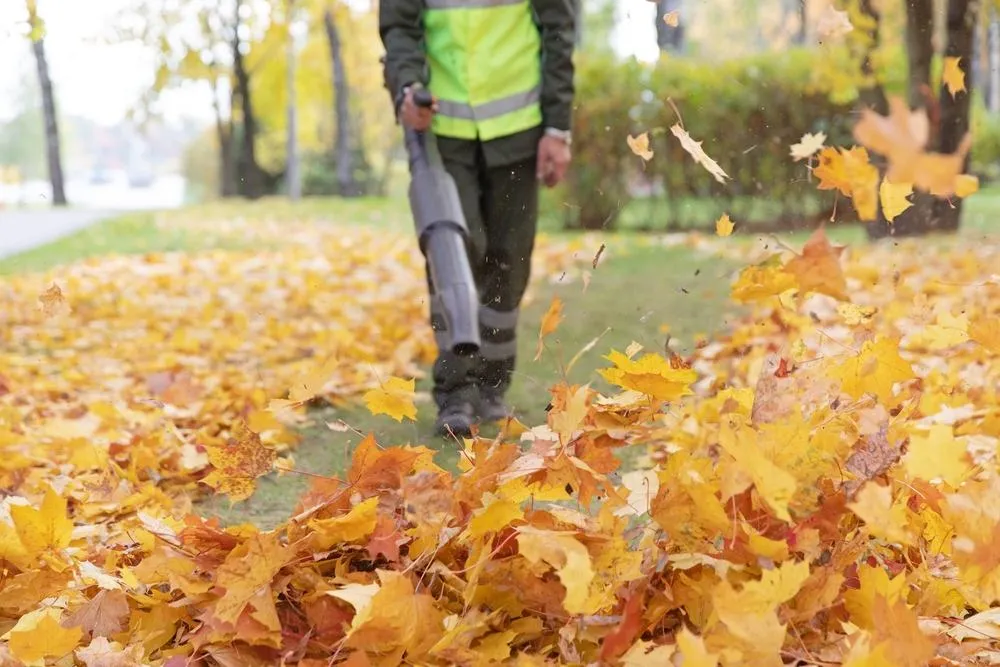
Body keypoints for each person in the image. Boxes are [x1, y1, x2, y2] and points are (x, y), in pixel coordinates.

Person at [379, 0, 576, 437]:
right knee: (455, 253)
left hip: (520, 129)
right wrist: (407, 87)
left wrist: (557, 128)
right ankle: (456, 392)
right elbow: (399, 26)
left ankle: (492, 385)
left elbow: (559, 30)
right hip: (442, 130)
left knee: (508, 261)